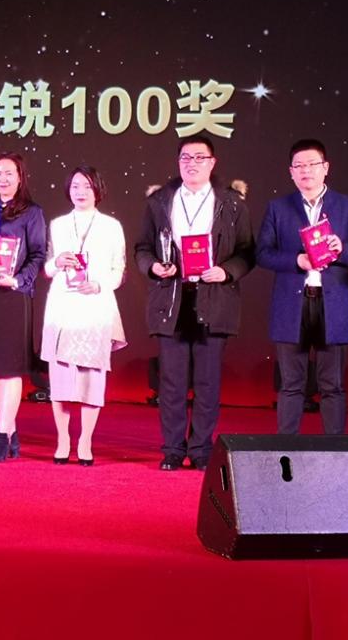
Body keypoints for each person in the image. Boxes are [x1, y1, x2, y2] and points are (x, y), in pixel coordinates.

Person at [134, 136, 254, 471]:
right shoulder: (160, 201)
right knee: (171, 384)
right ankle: (173, 449)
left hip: (214, 298)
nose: (193, 163)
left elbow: (247, 251)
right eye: (186, 157)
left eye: (200, 157)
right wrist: (153, 267)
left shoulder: (231, 203)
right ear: (178, 162)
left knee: (207, 383)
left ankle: (201, 450)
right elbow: (142, 248)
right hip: (171, 298)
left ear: (213, 162)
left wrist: (226, 272)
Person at [256, 139, 348, 435]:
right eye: (299, 166)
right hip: (292, 304)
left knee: (332, 384)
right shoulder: (278, 208)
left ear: (326, 168)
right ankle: (287, 449)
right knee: (291, 384)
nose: (306, 170)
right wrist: (297, 260)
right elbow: (262, 254)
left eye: (312, 164)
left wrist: (341, 250)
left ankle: (335, 450)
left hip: (332, 304)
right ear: (291, 172)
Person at [41, 166, 126, 466]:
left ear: (98, 190)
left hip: (95, 306)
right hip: (63, 306)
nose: (80, 191)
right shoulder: (57, 224)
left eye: (87, 186)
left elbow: (119, 270)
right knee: (61, 377)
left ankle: (86, 440)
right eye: (75, 186)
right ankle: (63, 439)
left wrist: (100, 284)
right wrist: (56, 262)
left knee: (92, 377)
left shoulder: (111, 226)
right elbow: (46, 268)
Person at [0, 153, 46, 462]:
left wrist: (17, 280)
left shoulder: (32, 212)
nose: (2, 178)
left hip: (14, 294)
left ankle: (1, 437)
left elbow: (38, 255)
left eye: (9, 173)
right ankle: (11, 433)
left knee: (11, 368)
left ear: (20, 177)